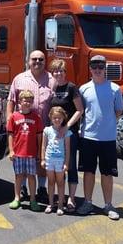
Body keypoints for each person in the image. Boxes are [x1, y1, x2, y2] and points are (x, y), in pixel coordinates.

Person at [76, 55, 123, 220]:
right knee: (88, 172)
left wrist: (108, 125)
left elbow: (118, 111)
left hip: (108, 139)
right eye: (94, 67)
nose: (97, 70)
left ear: (105, 69)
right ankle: (88, 202)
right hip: (88, 138)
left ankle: (108, 205)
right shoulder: (83, 89)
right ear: (90, 69)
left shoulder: (115, 89)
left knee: (107, 174)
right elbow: (80, 111)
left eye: (100, 67)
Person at [7, 50, 54, 202]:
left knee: (41, 159)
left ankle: (41, 188)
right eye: (34, 59)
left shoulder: (52, 80)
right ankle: (22, 189)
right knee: (22, 159)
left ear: (45, 61)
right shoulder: (19, 79)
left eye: (41, 59)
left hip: (44, 129)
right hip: (22, 129)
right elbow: (11, 100)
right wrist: (9, 119)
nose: (37, 62)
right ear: (28, 61)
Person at [49, 59, 83, 212]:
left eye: (61, 71)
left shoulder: (71, 87)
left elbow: (79, 110)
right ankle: (59, 196)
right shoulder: (53, 87)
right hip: (55, 133)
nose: (58, 73)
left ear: (65, 72)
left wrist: (67, 126)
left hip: (69, 133)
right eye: (55, 71)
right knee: (56, 163)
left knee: (70, 165)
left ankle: (72, 198)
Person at [7, 90, 43, 212]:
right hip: (18, 153)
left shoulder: (36, 117)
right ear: (19, 102)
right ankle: (17, 198)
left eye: (29, 101)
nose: (27, 103)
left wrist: (39, 153)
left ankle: (33, 199)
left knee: (32, 176)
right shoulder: (14, 117)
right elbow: (10, 135)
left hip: (31, 153)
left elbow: (39, 136)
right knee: (19, 176)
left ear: (32, 102)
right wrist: (11, 151)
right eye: (24, 100)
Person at [40, 106, 70, 215]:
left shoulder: (66, 132)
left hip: (60, 161)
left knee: (60, 183)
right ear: (51, 118)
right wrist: (43, 159)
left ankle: (60, 205)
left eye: (59, 118)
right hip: (49, 160)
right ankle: (51, 204)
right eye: (55, 118)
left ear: (63, 119)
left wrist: (66, 163)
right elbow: (43, 146)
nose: (57, 120)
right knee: (51, 182)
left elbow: (67, 149)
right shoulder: (47, 130)